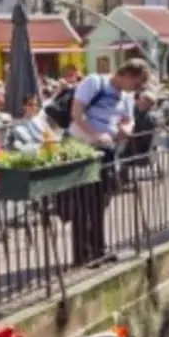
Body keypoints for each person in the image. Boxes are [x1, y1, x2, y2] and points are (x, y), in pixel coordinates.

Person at [66, 58, 152, 265]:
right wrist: (94, 134)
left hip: (107, 150)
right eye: (137, 83)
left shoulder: (127, 96)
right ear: (127, 75)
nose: (138, 88)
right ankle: (82, 254)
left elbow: (128, 119)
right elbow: (77, 113)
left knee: (101, 200)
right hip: (84, 149)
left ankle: (99, 249)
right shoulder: (95, 82)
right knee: (83, 201)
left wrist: (127, 129)